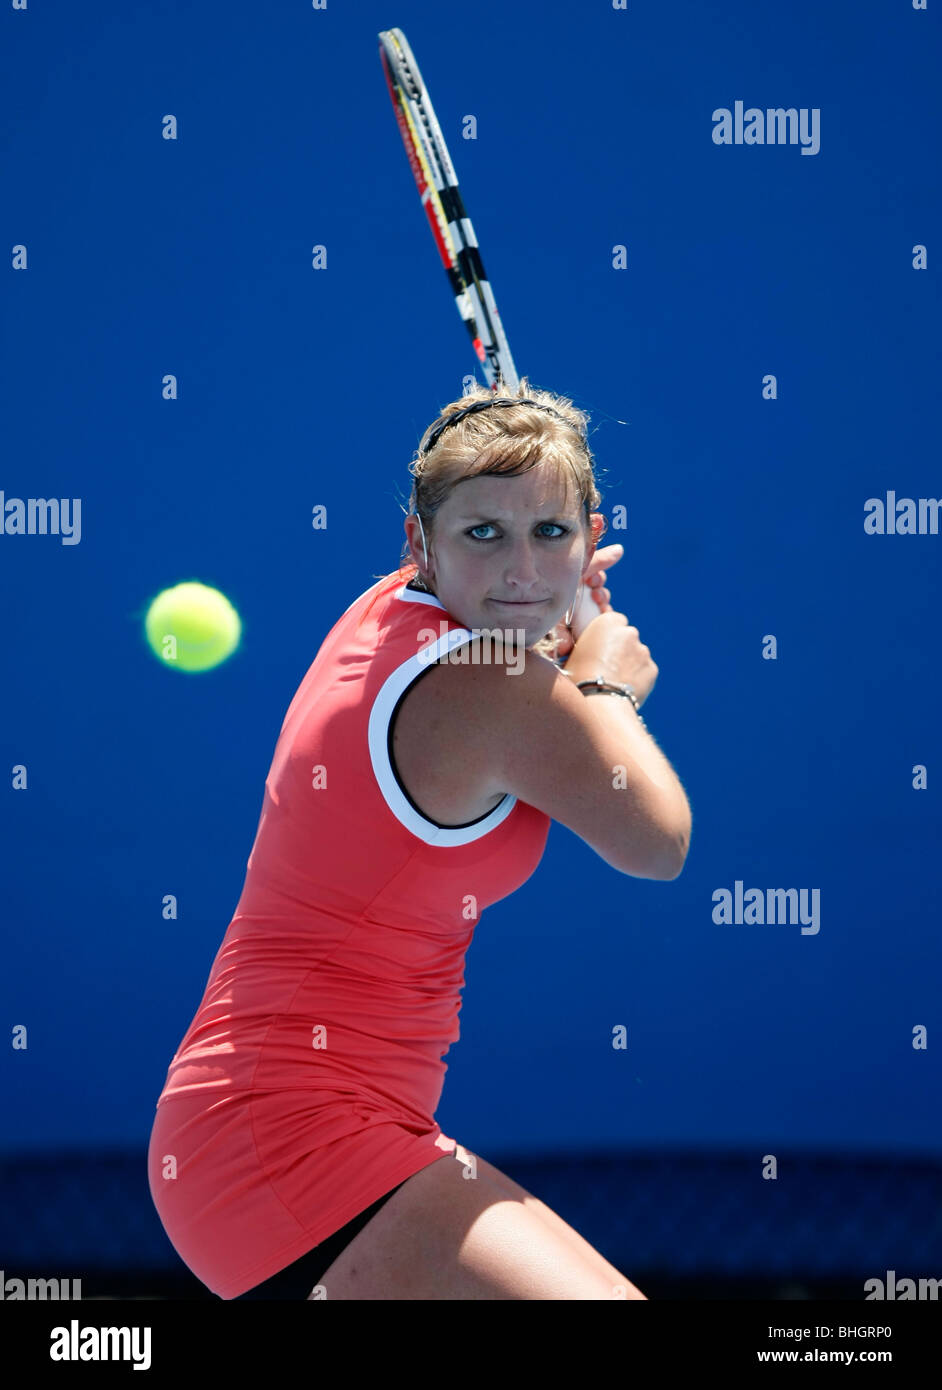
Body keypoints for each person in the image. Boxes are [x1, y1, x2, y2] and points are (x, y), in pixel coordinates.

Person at [146, 377, 691, 1300]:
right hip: (293, 1137)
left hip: (262, 1129)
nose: (521, 568)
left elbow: (507, 657)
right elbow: (658, 842)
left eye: (550, 533)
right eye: (484, 533)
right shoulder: (492, 690)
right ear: (421, 545)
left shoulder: (387, 611)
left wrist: (548, 646)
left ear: (593, 537)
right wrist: (603, 686)